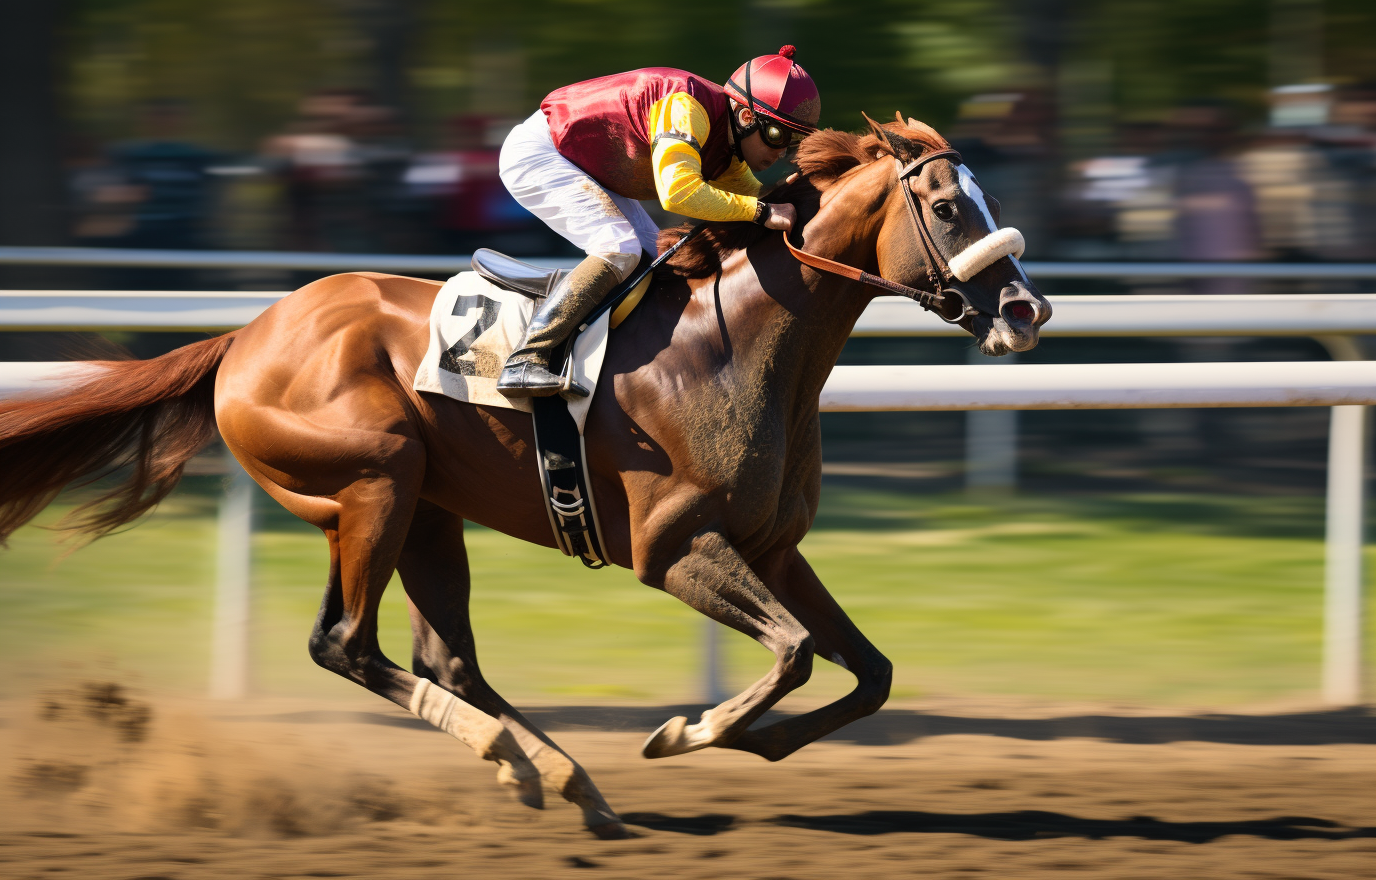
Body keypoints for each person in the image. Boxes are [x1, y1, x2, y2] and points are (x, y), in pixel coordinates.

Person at [494, 46, 820, 397]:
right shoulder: (686, 107)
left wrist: (781, 200)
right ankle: (526, 359)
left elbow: (754, 198)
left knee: (657, 261)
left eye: (796, 141)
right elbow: (679, 193)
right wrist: (763, 212)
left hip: (586, 164)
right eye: (777, 136)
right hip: (544, 152)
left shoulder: (730, 152)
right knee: (619, 248)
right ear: (744, 117)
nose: (782, 152)